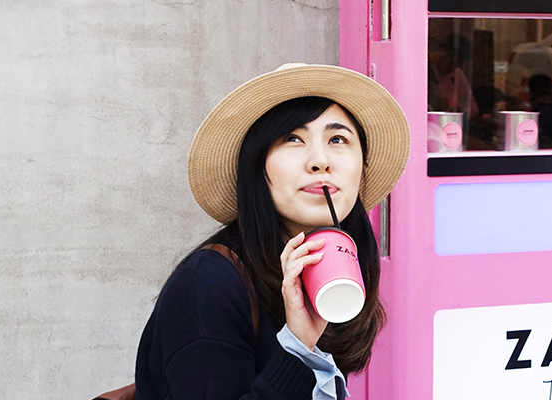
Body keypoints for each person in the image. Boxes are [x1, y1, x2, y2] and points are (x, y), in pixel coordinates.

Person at [133, 64, 409, 400]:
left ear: (361, 170)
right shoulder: (207, 284)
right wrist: (297, 346)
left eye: (338, 139)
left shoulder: (332, 267)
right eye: (293, 138)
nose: (320, 161)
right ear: (257, 165)